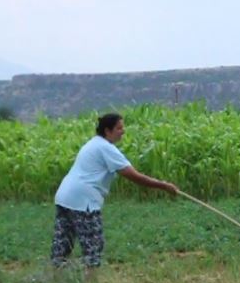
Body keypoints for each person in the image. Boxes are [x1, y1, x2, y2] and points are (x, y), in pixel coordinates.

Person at [52, 113, 178, 273]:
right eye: (119, 128)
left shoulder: (93, 144)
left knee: (61, 247)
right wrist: (164, 186)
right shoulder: (106, 148)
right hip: (84, 202)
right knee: (93, 247)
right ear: (107, 130)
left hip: (64, 197)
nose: (123, 131)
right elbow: (133, 176)